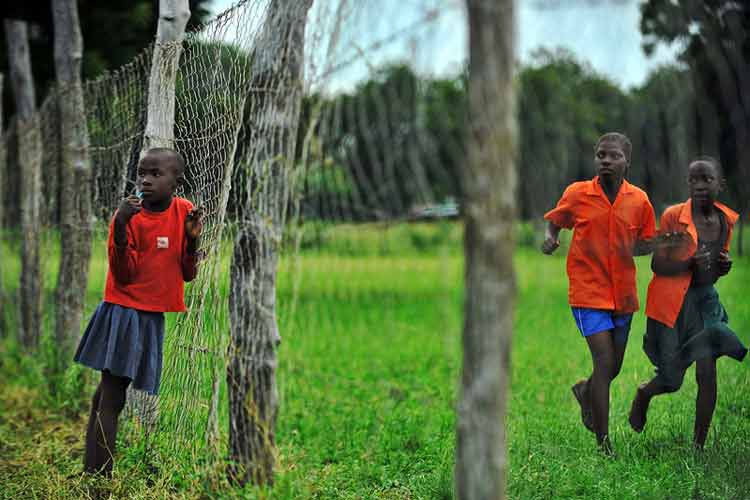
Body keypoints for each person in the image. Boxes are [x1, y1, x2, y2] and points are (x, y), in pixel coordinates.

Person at [73, 147, 203, 476]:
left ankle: (91, 471)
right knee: (114, 397)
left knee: (107, 393)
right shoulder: (128, 216)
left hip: (150, 314)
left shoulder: (184, 211)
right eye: (142, 173)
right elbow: (124, 274)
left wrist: (192, 242)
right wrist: (120, 226)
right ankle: (99, 479)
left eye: (155, 174)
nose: (145, 180)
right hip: (123, 312)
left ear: (176, 180)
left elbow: (188, 274)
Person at [542, 132, 658, 453]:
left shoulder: (640, 201)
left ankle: (585, 391)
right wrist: (551, 237)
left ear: (627, 162)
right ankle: (604, 444)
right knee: (604, 361)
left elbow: (641, 245)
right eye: (601, 155)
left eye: (614, 156)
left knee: (613, 368)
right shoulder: (578, 194)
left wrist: (660, 244)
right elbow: (556, 220)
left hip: (622, 294)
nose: (606, 160)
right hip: (587, 291)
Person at [628, 156, 747, 449]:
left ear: (721, 184)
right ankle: (644, 393)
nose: (700, 186)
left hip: (705, 303)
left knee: (707, 370)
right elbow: (658, 265)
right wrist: (689, 264)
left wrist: (721, 268)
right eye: (694, 180)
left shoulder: (725, 222)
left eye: (707, 179)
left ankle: (698, 446)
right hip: (673, 303)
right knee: (672, 379)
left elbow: (710, 276)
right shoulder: (673, 217)